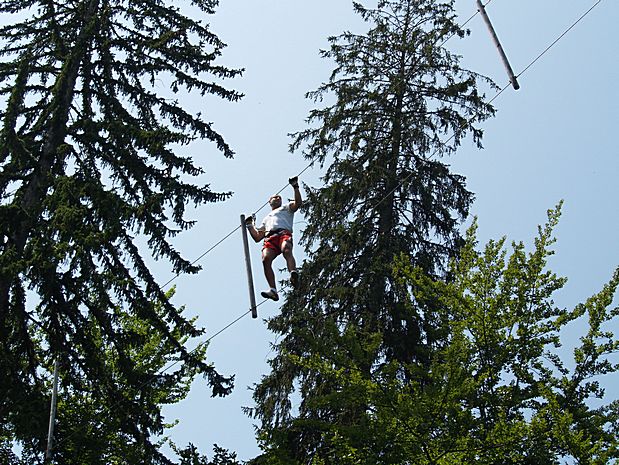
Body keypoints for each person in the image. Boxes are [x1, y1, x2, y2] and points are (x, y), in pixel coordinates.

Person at [245, 176, 301, 301]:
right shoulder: (266, 219)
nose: (278, 198)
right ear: (269, 201)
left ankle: (293, 273)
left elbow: (298, 203)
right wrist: (249, 225)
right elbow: (258, 237)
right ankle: (273, 290)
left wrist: (295, 187)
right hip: (270, 237)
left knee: (287, 249)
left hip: (283, 233)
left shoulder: (286, 208)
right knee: (265, 259)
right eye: (275, 197)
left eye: (279, 197)